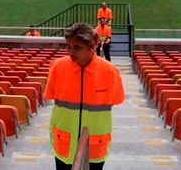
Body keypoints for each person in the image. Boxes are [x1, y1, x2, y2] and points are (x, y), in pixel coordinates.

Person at [45, 22, 125, 170]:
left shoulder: (110, 71)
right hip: (63, 141)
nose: (70, 52)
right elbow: (50, 95)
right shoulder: (57, 66)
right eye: (68, 46)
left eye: (77, 47)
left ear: (91, 46)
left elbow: (117, 99)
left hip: (96, 143)